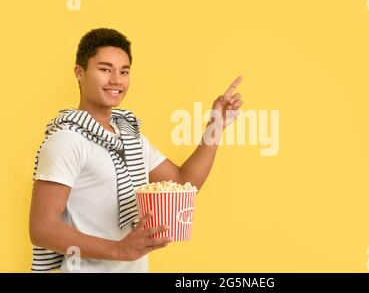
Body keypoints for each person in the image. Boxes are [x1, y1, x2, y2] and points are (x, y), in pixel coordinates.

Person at [29, 28, 243, 272]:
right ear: (80, 72)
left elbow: (184, 184)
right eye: (104, 69)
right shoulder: (68, 139)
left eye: (124, 71)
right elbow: (42, 228)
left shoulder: (131, 138)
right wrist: (119, 250)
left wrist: (215, 126)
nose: (116, 80)